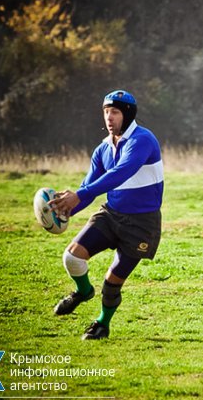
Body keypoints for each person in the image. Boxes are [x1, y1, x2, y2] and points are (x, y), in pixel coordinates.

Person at [49, 90, 164, 340]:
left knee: (112, 281)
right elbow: (89, 189)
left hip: (142, 224)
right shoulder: (102, 149)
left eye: (115, 112)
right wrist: (65, 208)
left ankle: (102, 324)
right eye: (106, 112)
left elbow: (120, 173)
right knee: (72, 258)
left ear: (128, 115)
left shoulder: (142, 140)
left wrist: (78, 194)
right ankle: (83, 291)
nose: (109, 118)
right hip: (111, 215)